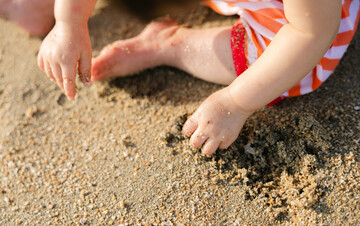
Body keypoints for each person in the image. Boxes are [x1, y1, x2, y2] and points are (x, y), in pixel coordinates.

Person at [34, 0, 359, 154]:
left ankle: (170, 46)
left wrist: (236, 100)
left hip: (316, 12)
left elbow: (311, 32)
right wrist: (69, 22)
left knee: (294, 68)